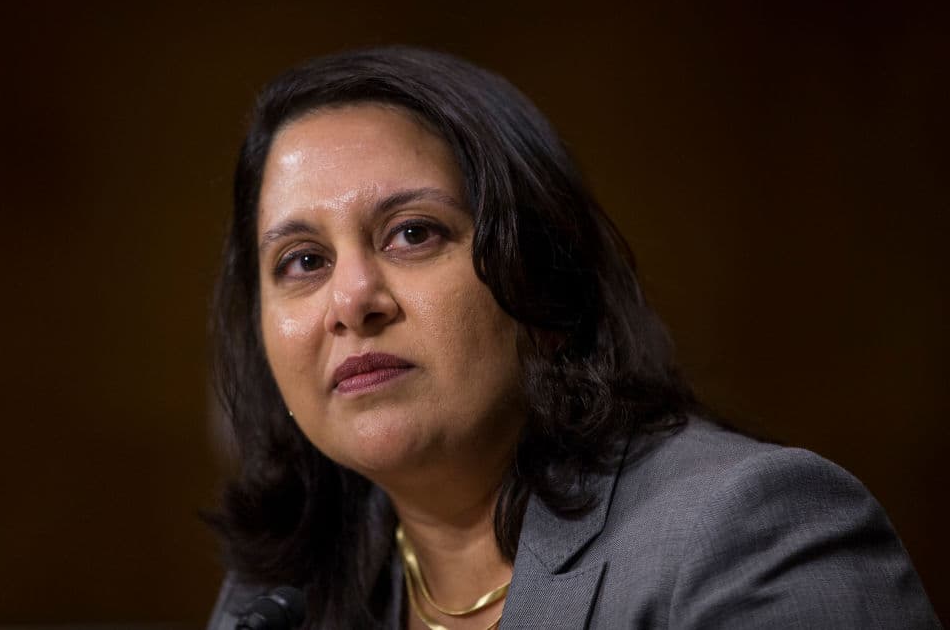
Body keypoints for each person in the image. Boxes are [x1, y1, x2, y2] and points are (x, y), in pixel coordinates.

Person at [206, 47, 938, 629]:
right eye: (303, 261)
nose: (352, 299)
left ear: (543, 281)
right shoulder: (280, 597)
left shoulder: (745, 534)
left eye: (413, 233)